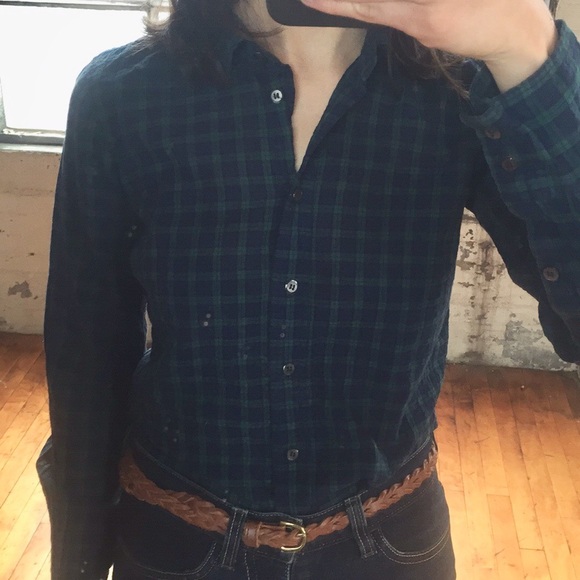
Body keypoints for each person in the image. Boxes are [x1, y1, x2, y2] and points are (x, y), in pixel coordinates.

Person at [38, 0, 580, 577]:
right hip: (175, 537)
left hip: (392, 540)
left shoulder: (460, 90)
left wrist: (525, 47)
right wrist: (78, 558)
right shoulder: (123, 93)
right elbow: (86, 345)